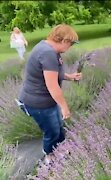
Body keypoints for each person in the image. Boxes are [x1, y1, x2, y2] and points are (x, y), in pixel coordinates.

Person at [18, 24, 81, 164]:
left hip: (46, 102)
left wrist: (70, 77)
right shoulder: (47, 53)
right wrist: (64, 106)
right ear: (64, 41)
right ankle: (50, 156)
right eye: (70, 44)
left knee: (58, 127)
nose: (70, 47)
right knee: (52, 131)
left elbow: (51, 73)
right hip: (38, 103)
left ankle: (60, 149)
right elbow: (52, 85)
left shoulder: (47, 48)